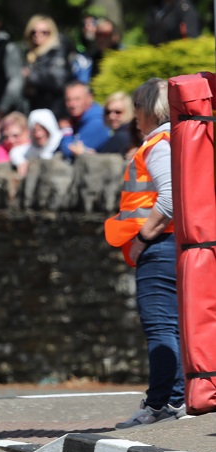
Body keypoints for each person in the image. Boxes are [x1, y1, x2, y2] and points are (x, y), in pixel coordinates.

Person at [104, 77, 186, 428]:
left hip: (159, 246)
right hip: (170, 245)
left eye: (137, 107)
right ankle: (176, 398)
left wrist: (142, 239)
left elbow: (168, 199)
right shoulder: (173, 139)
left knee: (160, 327)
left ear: (150, 109)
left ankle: (160, 403)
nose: (134, 116)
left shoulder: (159, 143)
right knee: (171, 327)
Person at [22, 15, 70, 117]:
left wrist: (30, 76)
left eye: (44, 32)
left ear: (52, 33)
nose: (38, 35)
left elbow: (58, 82)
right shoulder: (30, 54)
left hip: (54, 110)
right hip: (34, 109)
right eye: (33, 32)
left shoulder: (57, 52)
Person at [60, 80, 109, 160]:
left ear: (90, 98)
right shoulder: (76, 119)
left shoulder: (97, 122)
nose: (72, 104)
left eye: (77, 99)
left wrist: (66, 130)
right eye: (68, 100)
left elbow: (69, 153)